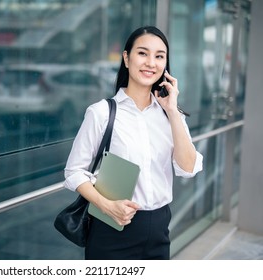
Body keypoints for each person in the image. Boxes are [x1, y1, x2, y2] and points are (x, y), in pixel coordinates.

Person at [63, 26, 203, 260]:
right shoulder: (101, 113)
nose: (151, 62)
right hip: (111, 228)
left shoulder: (171, 115)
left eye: (159, 56)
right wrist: (106, 205)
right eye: (142, 53)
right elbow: (73, 172)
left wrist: (172, 111)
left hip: (159, 227)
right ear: (127, 58)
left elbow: (187, 169)